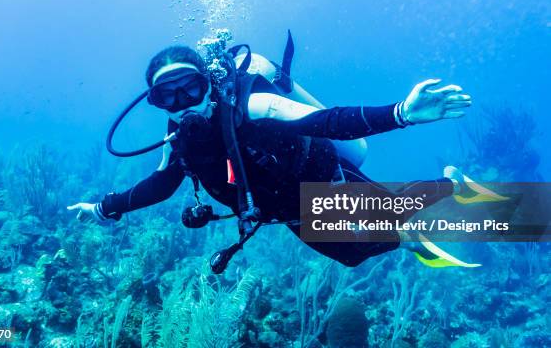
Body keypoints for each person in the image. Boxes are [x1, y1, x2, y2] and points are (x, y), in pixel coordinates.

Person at [68, 41, 503, 272]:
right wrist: (105, 208)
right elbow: (161, 184)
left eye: (190, 88)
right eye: (168, 95)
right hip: (286, 211)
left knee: (393, 213)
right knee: (353, 254)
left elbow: (327, 122)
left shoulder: (250, 106)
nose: (183, 102)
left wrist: (401, 114)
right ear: (157, 102)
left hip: (323, 178)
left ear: (208, 82)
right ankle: (409, 239)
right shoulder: (178, 137)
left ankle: (454, 185)